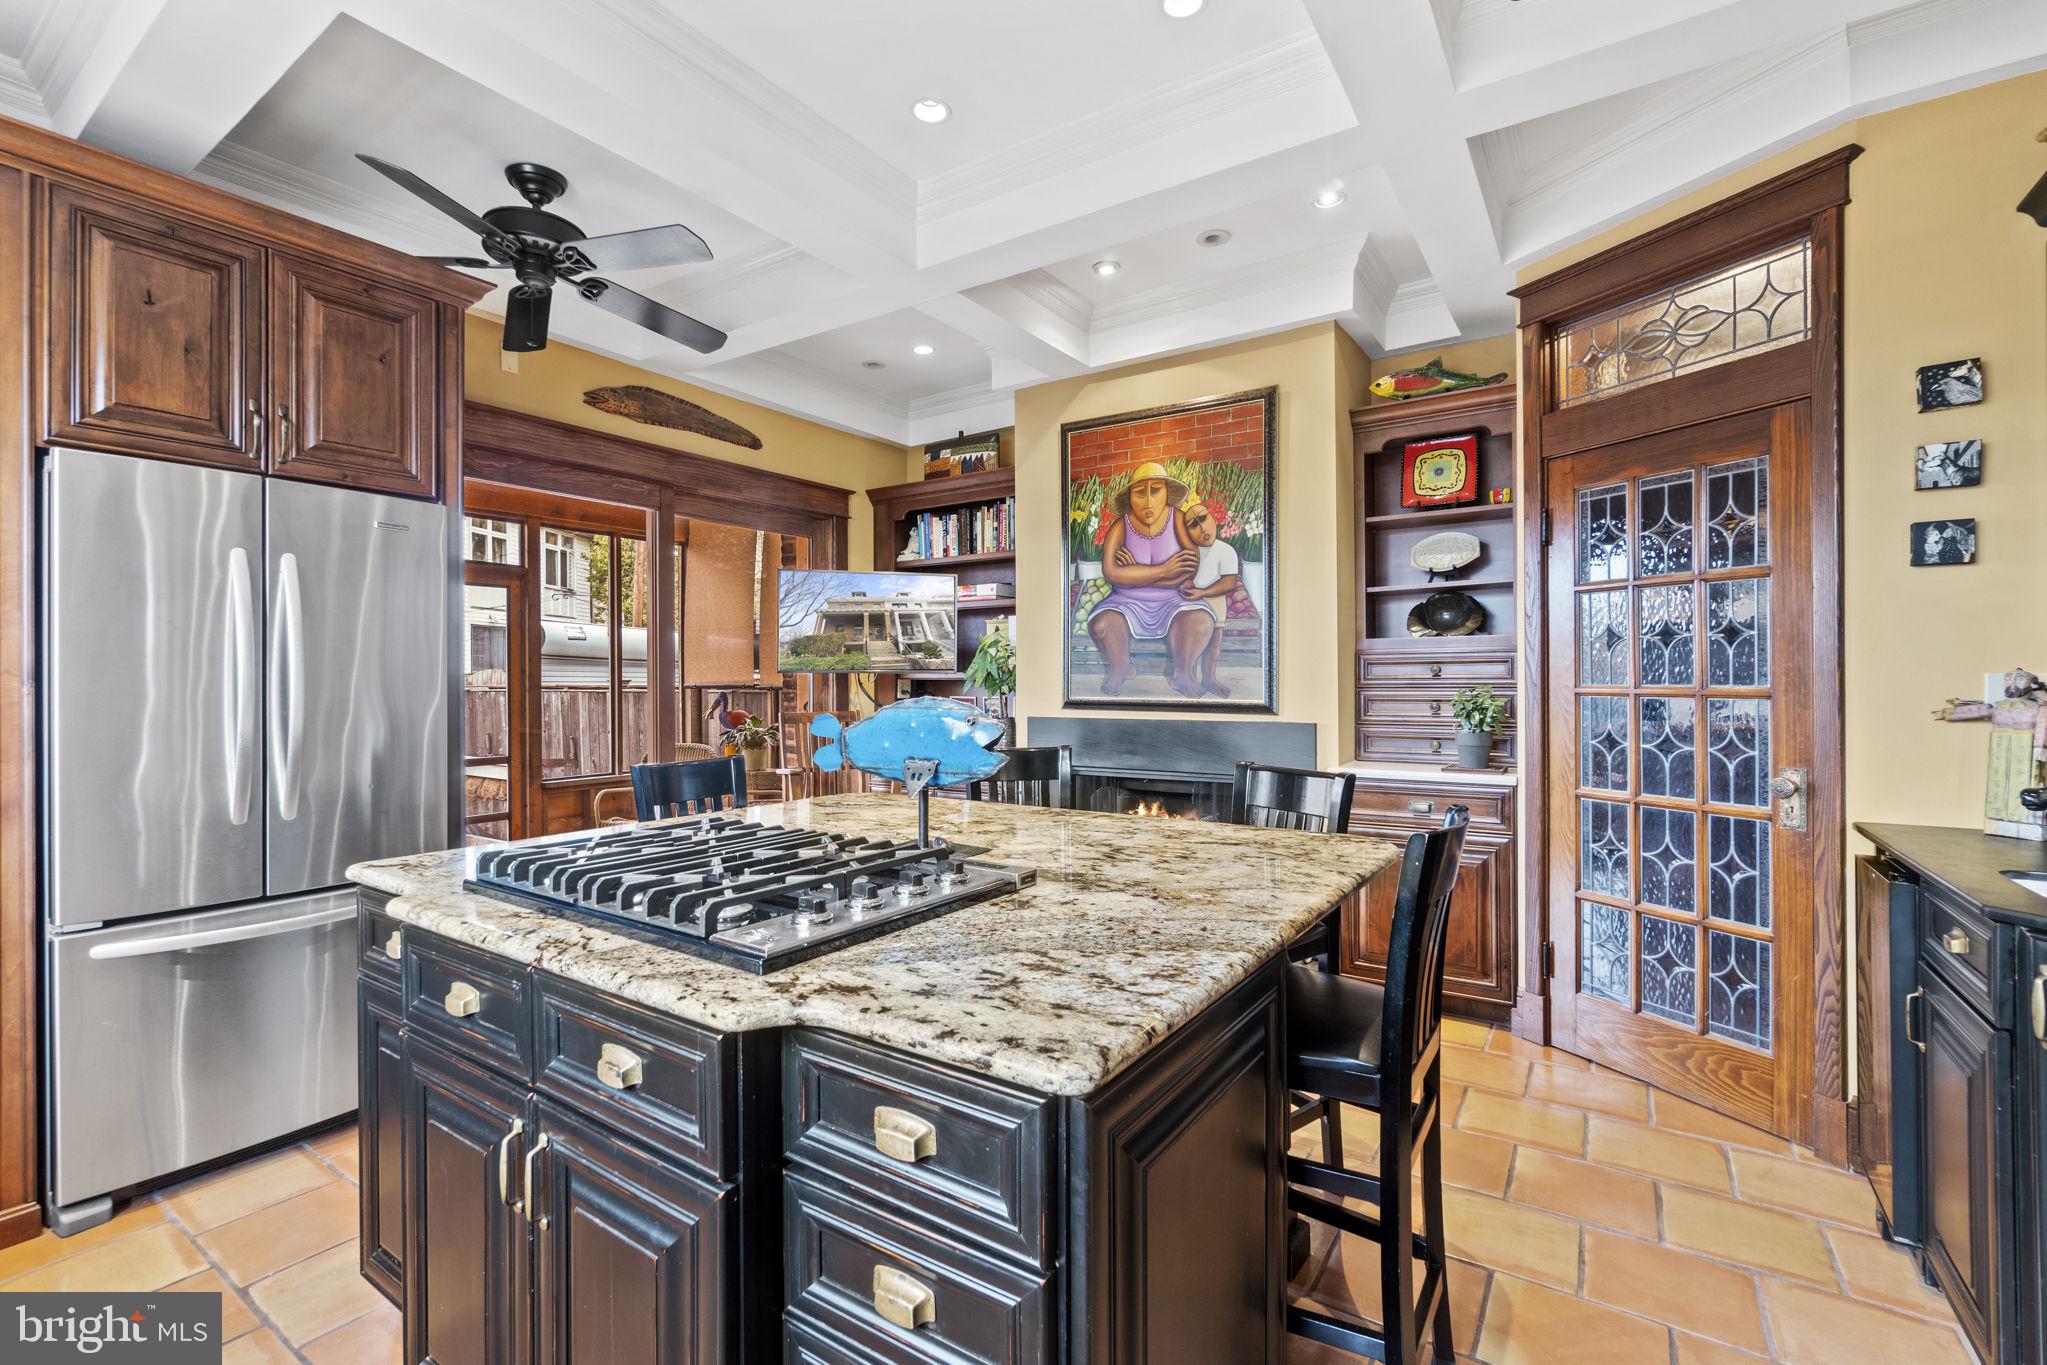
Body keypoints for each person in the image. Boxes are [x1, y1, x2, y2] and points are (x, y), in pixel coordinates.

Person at [1085, 461, 1213, 697]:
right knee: (1102, 624)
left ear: (1166, 493)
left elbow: (1189, 568)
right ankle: (1121, 668)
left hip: (1176, 600)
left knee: (1201, 622)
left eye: (1156, 491)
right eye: (1140, 492)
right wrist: (1164, 569)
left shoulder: (1177, 519)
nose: (1148, 500)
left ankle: (1183, 672)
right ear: (1130, 497)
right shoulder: (1120, 526)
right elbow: (1111, 572)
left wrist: (1136, 573)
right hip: (1125, 602)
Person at [1177, 499, 1241, 697]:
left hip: (1214, 600)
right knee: (1194, 641)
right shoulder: (1185, 551)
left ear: (1213, 518)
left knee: (1214, 644)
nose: (1203, 528)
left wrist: (1203, 592)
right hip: (1190, 603)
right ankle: (1189, 678)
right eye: (1193, 525)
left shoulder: (1226, 550)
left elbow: (1229, 582)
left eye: (1204, 518)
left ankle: (1209, 678)